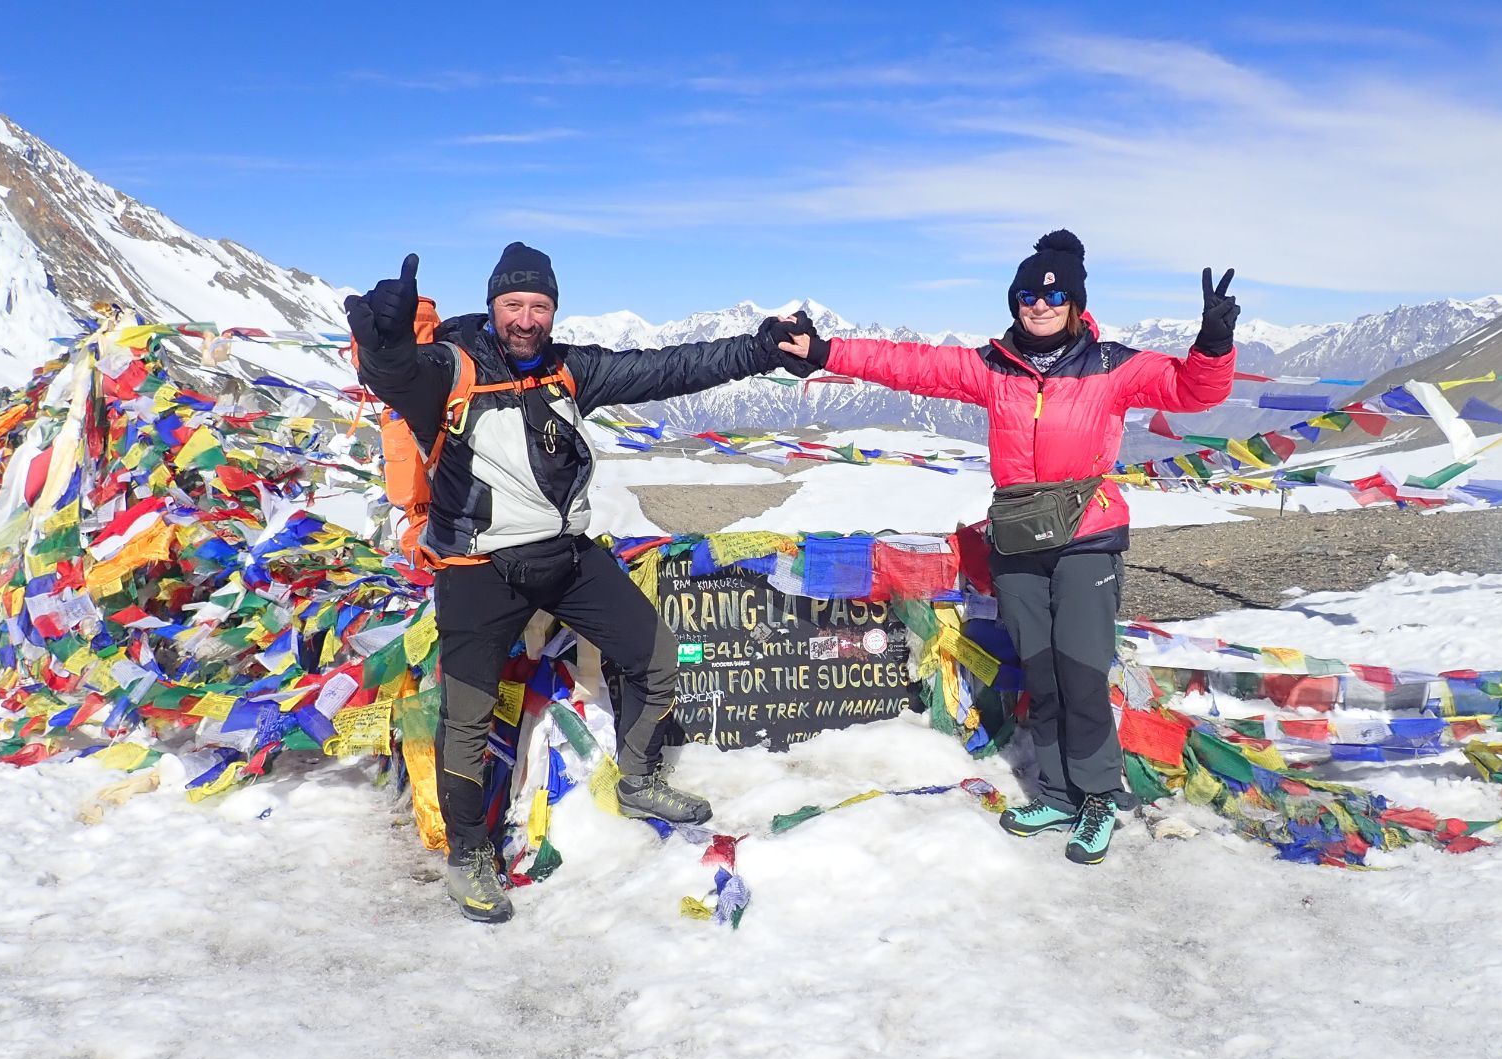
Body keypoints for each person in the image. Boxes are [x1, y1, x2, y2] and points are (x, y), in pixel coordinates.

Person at [346, 245, 804, 922]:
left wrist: (765, 348)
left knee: (655, 654)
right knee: (467, 717)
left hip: (563, 556)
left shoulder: (569, 368)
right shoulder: (451, 369)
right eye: (513, 305)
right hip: (479, 567)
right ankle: (469, 854)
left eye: (539, 306)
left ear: (553, 309)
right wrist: (380, 345)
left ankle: (640, 777)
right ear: (493, 305)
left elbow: (671, 368)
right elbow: (396, 374)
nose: (526, 319)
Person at [779, 231, 1239, 865]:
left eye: (1054, 296)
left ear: (1075, 302)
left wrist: (1213, 346)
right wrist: (827, 350)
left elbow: (1195, 392)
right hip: (1019, 535)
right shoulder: (992, 367)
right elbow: (909, 363)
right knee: (1043, 670)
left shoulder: (1112, 365)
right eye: (1028, 295)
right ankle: (1055, 792)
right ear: (1014, 302)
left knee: (1081, 669)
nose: (1040, 306)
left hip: (1086, 534)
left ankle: (1099, 794)